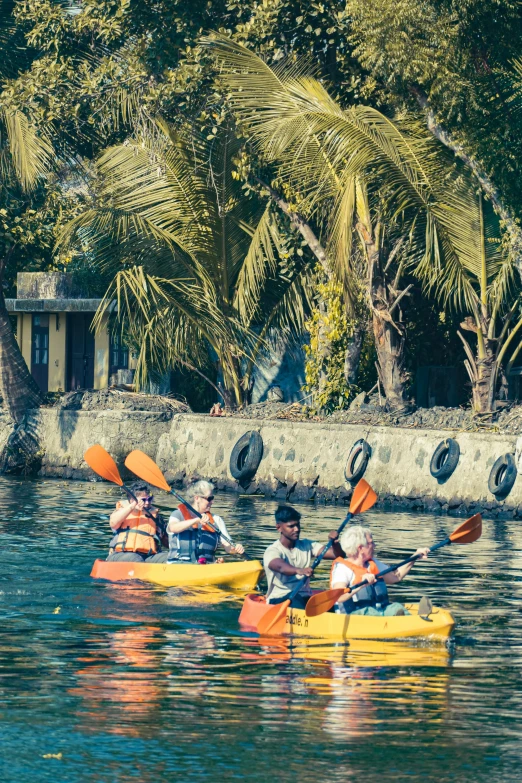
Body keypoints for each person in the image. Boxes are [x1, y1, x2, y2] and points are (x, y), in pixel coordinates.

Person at [330, 525, 430, 616]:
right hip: (354, 616)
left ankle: (416, 619)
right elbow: (338, 596)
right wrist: (361, 584)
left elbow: (396, 576)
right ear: (360, 548)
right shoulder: (342, 568)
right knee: (369, 611)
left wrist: (414, 557)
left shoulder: (372, 563)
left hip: (378, 612)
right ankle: (404, 622)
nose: (374, 545)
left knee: (396, 607)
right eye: (371, 543)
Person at [263, 505, 344, 610]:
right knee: (297, 600)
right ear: (279, 528)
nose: (296, 529)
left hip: (304, 596)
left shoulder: (307, 545)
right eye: (291, 526)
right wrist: (298, 570)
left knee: (333, 605)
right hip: (279, 598)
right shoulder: (273, 550)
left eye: (298, 525)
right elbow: (280, 567)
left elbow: (337, 555)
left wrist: (334, 544)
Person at [166, 480, 244, 563]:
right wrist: (196, 521)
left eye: (212, 498)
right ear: (197, 498)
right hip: (178, 565)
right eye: (209, 499)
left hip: (206, 567)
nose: (212, 502)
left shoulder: (216, 520)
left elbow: (228, 547)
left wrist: (236, 548)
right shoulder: (177, 514)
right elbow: (173, 528)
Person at [107, 482, 168, 562]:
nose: (147, 503)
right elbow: (113, 524)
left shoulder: (156, 517)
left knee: (170, 558)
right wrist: (133, 506)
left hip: (149, 556)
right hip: (121, 554)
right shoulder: (122, 512)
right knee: (135, 558)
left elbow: (167, 541)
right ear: (132, 499)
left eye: (149, 499)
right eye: (143, 500)